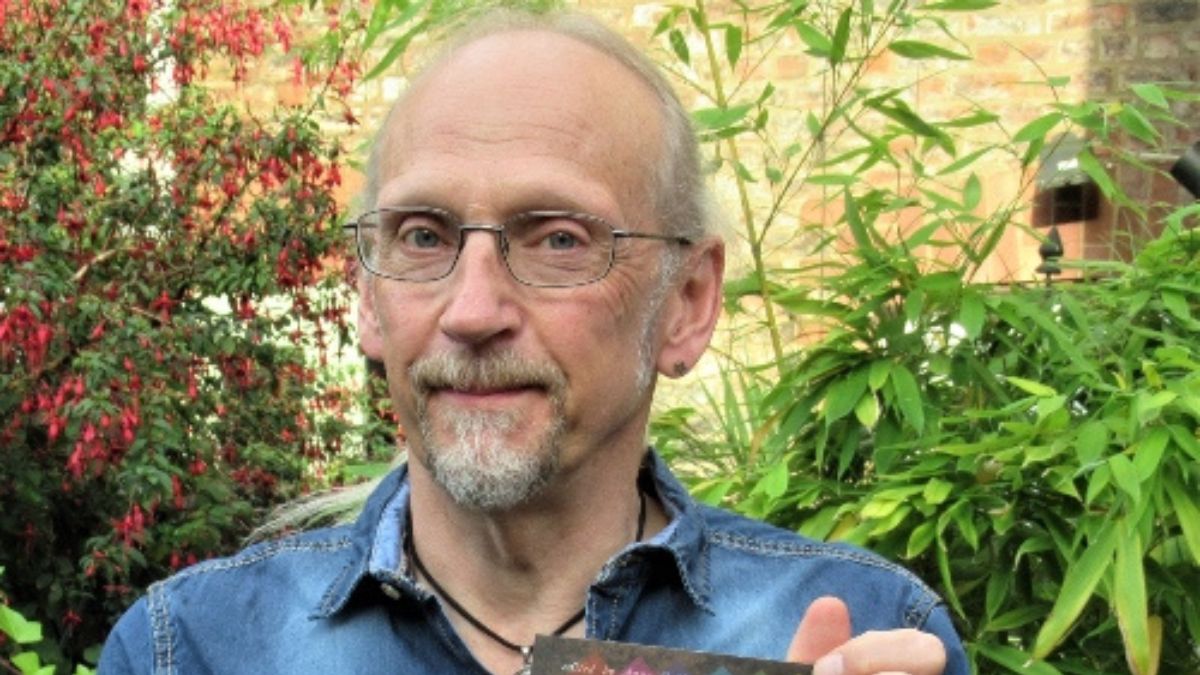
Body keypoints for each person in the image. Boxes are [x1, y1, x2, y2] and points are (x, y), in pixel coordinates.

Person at [99, 9, 967, 675]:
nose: (472, 309)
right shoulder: (190, 650)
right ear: (368, 294)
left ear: (687, 303)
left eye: (558, 239)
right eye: (424, 237)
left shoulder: (862, 629)